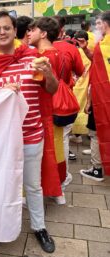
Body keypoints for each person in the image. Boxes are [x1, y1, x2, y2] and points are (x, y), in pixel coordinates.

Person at [0, 10, 57, 253]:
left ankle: (40, 227)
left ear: (14, 30)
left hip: (31, 134)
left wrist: (49, 72)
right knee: (0, 184)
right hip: (1, 139)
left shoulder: (34, 57)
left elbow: (51, 90)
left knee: (32, 185)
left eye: (6, 28)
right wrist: (0, 93)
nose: (2, 32)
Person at [27, 17, 66, 204]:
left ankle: (48, 191)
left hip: (41, 108)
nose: (29, 33)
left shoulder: (41, 56)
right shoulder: (56, 52)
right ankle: (56, 192)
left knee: (43, 155)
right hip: (49, 108)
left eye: (33, 30)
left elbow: (36, 83)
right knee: (51, 151)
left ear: (42, 33)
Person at [53, 16, 85, 188]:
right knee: (62, 138)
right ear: (62, 30)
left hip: (41, 101)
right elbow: (80, 71)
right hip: (63, 100)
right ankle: (62, 177)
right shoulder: (70, 49)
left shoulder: (34, 49)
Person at [78, 11, 110, 180]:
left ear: (105, 23)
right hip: (102, 95)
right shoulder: (102, 44)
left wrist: (91, 99)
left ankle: (97, 169)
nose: (97, 26)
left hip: (103, 97)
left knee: (96, 131)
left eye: (99, 23)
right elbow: (98, 62)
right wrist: (86, 50)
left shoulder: (105, 45)